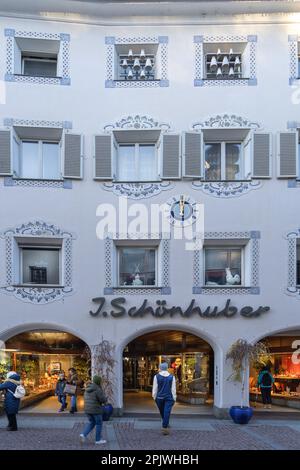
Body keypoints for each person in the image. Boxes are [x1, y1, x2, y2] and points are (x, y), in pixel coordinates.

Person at [80, 375, 107, 445]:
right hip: (96, 410)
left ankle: (83, 434)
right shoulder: (97, 389)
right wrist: (105, 399)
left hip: (87, 410)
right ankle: (98, 440)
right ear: (98, 381)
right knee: (99, 424)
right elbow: (102, 399)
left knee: (92, 422)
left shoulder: (87, 388)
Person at [152, 362, 176, 435]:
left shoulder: (156, 376)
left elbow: (155, 388)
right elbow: (173, 389)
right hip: (169, 397)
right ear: (167, 368)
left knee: (162, 411)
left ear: (160, 368)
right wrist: (174, 398)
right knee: (166, 411)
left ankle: (164, 427)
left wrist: (154, 396)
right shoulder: (172, 377)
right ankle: (166, 422)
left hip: (159, 397)